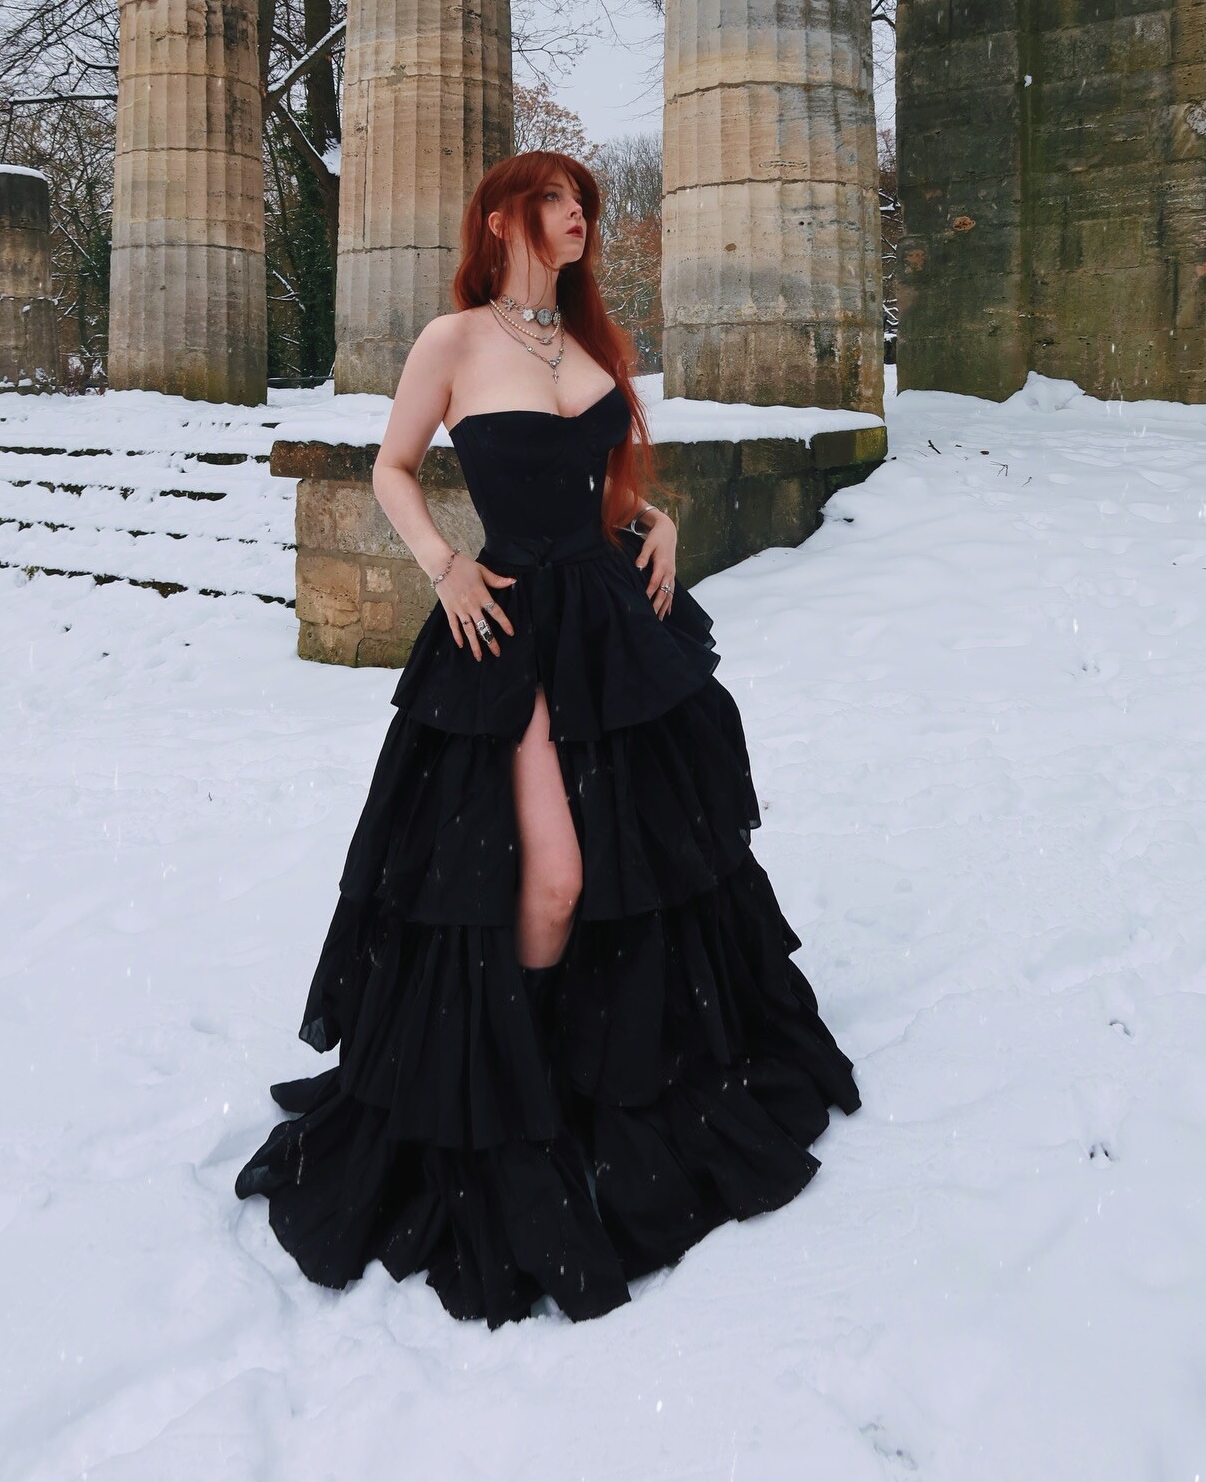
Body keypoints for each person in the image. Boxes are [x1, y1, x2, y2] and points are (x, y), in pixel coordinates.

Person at [235, 150, 861, 1326]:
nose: (580, 217)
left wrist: (655, 519)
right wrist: (442, 564)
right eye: (558, 201)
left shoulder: (587, 342)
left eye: (586, 204)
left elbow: (598, 484)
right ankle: (510, 1091)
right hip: (509, 627)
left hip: (612, 625)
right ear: (501, 217)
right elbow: (393, 468)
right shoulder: (453, 340)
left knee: (641, 854)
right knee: (552, 876)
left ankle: (598, 1060)